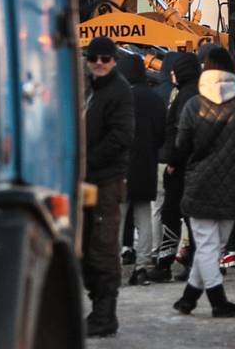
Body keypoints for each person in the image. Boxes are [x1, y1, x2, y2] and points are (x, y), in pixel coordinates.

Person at [171, 46, 235, 318]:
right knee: (215, 246)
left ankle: (214, 301)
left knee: (208, 247)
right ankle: (191, 298)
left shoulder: (193, 106)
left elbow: (182, 146)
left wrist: (174, 166)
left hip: (200, 184)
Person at [82, 36, 134, 338]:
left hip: (106, 180)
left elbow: (122, 136)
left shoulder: (118, 91)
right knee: (88, 244)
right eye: (94, 58)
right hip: (89, 180)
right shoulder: (92, 89)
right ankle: (98, 309)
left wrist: (87, 161)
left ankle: (105, 314)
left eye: (105, 58)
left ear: (114, 60)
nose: (99, 63)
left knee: (102, 246)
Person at [117, 52, 166, 288]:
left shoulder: (120, 98)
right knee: (144, 217)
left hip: (122, 167)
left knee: (117, 217)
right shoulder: (155, 99)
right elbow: (161, 134)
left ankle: (114, 264)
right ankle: (142, 267)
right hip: (147, 165)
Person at [152, 51, 200, 284]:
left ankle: (166, 262)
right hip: (192, 166)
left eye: (176, 69)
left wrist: (173, 161)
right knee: (190, 217)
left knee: (172, 213)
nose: (172, 73)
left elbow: (182, 133)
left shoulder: (185, 97)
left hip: (181, 167)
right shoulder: (193, 92)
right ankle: (192, 261)